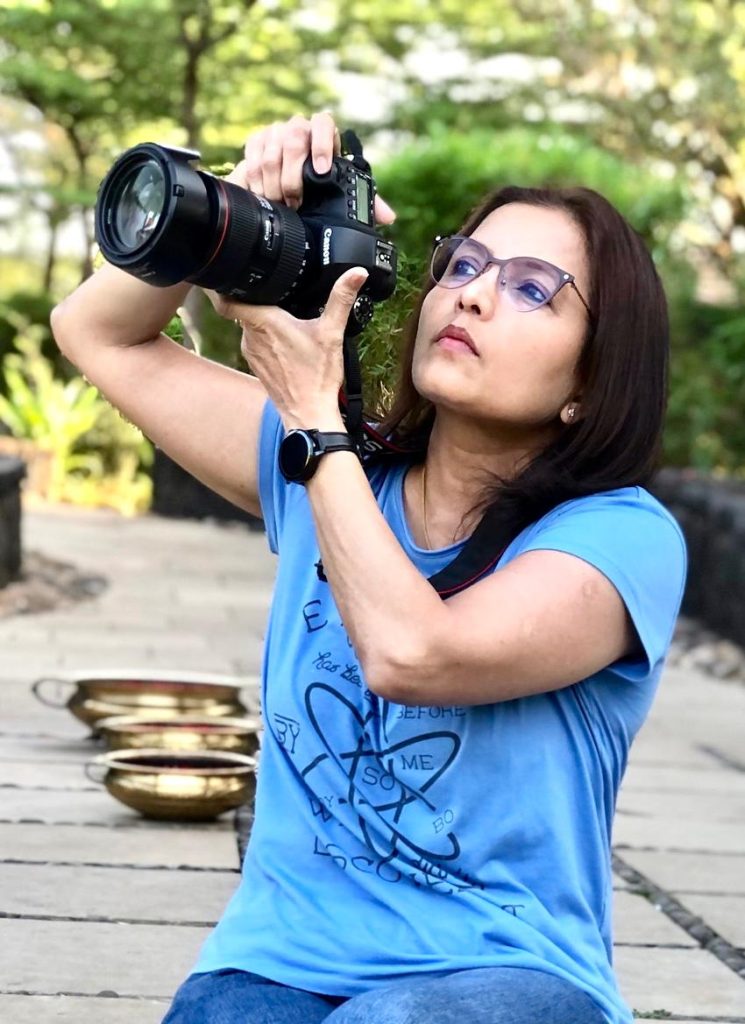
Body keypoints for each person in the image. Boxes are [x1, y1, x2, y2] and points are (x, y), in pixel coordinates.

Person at [51, 111, 687, 1024]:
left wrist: (314, 417)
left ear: (589, 384)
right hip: (277, 963)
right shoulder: (331, 470)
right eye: (462, 266)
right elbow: (96, 333)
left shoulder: (619, 539)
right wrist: (227, 212)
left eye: (531, 289)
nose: (469, 295)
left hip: (506, 973)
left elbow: (416, 657)